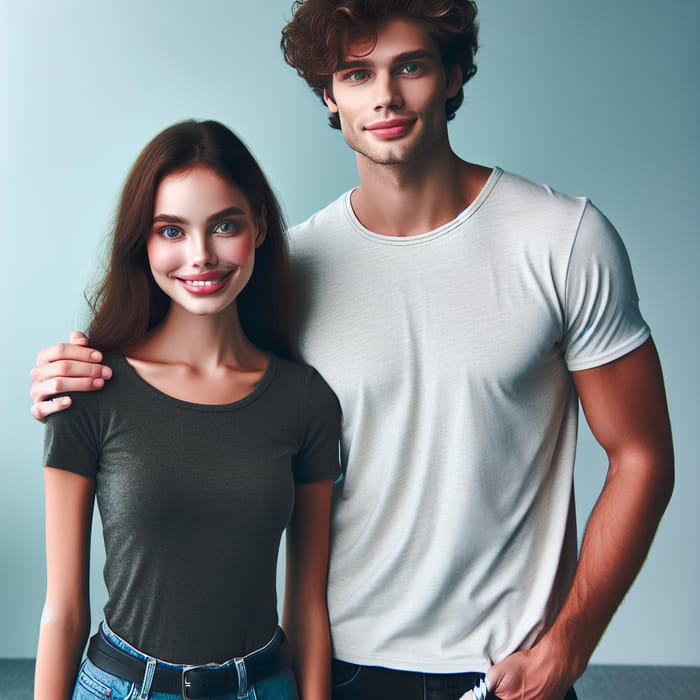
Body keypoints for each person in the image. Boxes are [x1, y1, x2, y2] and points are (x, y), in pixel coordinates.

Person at [31, 2, 675, 699]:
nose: (386, 96)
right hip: (334, 667)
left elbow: (641, 455)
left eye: (413, 67)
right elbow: (189, 369)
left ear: (454, 75)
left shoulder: (562, 239)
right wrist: (72, 370)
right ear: (330, 95)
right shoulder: (288, 270)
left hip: (508, 670)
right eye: (357, 73)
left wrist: (568, 649)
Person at [33, 119, 341, 700]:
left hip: (264, 685)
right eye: (170, 230)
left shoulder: (306, 401)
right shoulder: (86, 390)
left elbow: (307, 609)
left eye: (224, 226)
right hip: (121, 687)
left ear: (260, 226)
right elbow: (64, 611)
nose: (200, 256)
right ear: (142, 243)